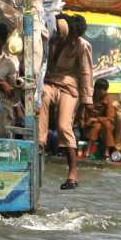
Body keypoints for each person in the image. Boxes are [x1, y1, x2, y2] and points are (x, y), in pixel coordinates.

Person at [37, 14, 94, 189]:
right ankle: (39, 145)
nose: (71, 38)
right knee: (42, 98)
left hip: (69, 87)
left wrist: (87, 101)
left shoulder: (82, 46)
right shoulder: (51, 37)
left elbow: (86, 73)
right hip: (49, 82)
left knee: (63, 126)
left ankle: (73, 172)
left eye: (75, 36)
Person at [82, 78, 115, 158]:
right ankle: (88, 149)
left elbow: (110, 118)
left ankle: (106, 151)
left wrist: (96, 119)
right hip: (88, 126)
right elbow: (83, 114)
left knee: (105, 124)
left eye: (103, 89)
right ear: (95, 88)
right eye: (99, 88)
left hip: (103, 127)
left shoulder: (108, 100)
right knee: (97, 126)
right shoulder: (89, 97)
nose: (101, 91)